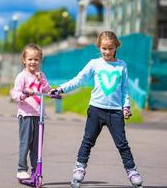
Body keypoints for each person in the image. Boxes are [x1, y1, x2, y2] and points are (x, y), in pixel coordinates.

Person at [50, 31, 143, 188]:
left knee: (122, 144)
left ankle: (132, 171)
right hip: (96, 110)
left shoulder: (122, 66)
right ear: (99, 47)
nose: (107, 52)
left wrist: (125, 106)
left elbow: (124, 89)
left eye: (110, 48)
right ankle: (79, 168)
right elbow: (79, 80)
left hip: (115, 112)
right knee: (88, 141)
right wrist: (60, 89)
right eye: (103, 48)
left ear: (116, 47)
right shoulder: (94, 63)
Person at [11, 43, 51, 180]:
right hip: (26, 115)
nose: (33, 62)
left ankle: (36, 171)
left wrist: (43, 81)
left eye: (36, 59)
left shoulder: (41, 75)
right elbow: (14, 93)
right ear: (24, 60)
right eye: (30, 59)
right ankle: (21, 169)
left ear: (40, 60)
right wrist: (24, 95)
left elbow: (47, 90)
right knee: (26, 143)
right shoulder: (22, 76)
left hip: (38, 116)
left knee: (37, 146)